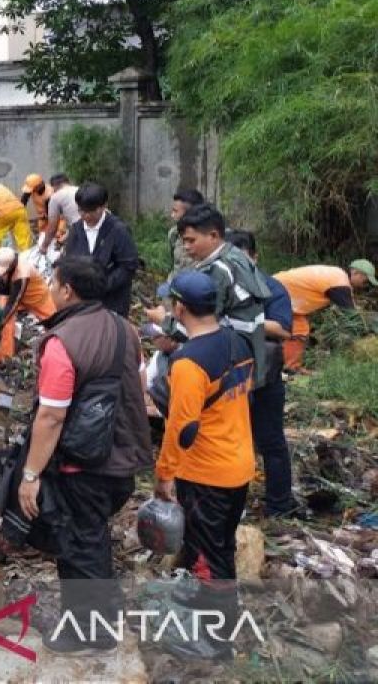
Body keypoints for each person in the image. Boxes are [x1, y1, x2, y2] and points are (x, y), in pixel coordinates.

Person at [15, 255, 151, 653]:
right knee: (92, 538)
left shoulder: (62, 341)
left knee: (81, 544)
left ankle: (90, 633)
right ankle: (95, 618)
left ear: (68, 290)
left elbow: (52, 416)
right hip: (122, 458)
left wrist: (30, 475)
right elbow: (135, 386)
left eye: (54, 284)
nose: (52, 291)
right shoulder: (126, 330)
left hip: (83, 464)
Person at [154, 271, 255, 661]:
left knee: (211, 557)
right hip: (239, 462)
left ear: (180, 307)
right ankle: (208, 602)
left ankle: (216, 643)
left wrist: (164, 475)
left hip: (206, 472)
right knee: (220, 544)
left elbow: (182, 428)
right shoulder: (237, 341)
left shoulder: (188, 363)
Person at [147, 204, 270, 385]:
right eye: (183, 241)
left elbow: (203, 326)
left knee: (166, 366)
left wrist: (163, 321)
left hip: (233, 356)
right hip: (251, 350)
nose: (186, 247)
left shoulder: (218, 271)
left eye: (191, 240)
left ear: (213, 236)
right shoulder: (235, 254)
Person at [226, 230, 300, 517]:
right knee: (233, 438)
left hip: (265, 376)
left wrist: (246, 322)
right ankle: (233, 503)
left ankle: (279, 504)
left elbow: (283, 329)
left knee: (270, 440)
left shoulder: (271, 288)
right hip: (230, 374)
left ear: (255, 258)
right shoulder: (220, 286)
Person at [273, 259, 376, 371]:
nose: (365, 285)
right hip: (276, 292)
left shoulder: (339, 278)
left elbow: (351, 308)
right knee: (290, 330)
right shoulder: (339, 284)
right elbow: (351, 316)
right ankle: (286, 368)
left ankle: (290, 367)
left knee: (299, 329)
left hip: (282, 291)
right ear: (356, 273)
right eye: (365, 281)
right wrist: (370, 331)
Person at [61, 183, 140, 317]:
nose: (85, 215)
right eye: (81, 211)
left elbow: (128, 266)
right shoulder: (76, 229)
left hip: (112, 301)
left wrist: (103, 286)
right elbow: (70, 260)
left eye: (91, 211)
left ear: (103, 207)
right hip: (83, 301)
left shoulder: (118, 230)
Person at [0, 247, 56, 362]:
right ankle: (3, 358)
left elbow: (14, 303)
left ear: (11, 265)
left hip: (37, 298)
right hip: (14, 294)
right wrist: (1, 320)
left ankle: (53, 351)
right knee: (5, 324)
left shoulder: (22, 273)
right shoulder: (4, 264)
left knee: (55, 322)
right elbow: (4, 292)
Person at [37, 174, 81, 253]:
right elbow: (78, 222)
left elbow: (52, 228)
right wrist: (62, 241)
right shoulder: (80, 189)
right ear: (68, 182)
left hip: (81, 234)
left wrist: (44, 246)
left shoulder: (55, 197)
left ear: (53, 186)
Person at [168, 189, 206, 275]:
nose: (172, 215)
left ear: (190, 213)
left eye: (176, 211)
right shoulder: (174, 234)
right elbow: (173, 265)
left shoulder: (208, 237)